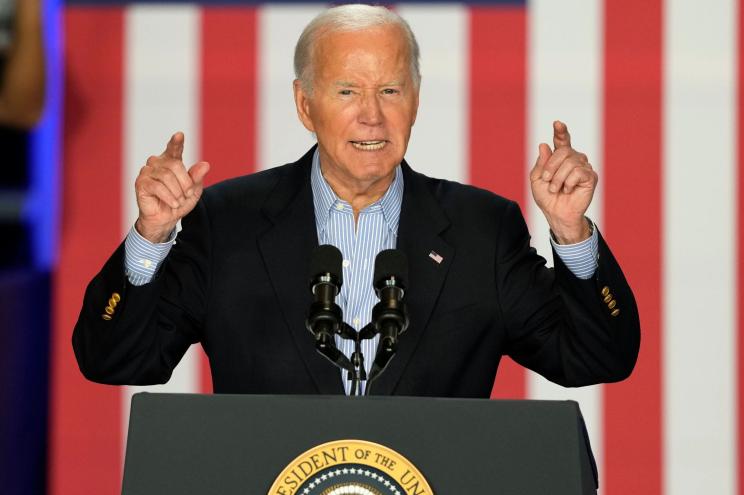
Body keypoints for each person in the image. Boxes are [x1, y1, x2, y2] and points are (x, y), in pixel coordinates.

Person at [73, 4, 639, 397]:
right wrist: (150, 240)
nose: (372, 115)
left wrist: (572, 234)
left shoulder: (480, 230)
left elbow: (594, 358)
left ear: (415, 102)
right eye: (347, 91)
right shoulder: (228, 222)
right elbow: (116, 359)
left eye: (390, 90)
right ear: (305, 105)